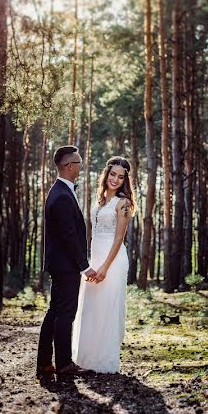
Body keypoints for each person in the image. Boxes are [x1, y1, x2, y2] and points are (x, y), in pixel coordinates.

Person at [36, 146, 96, 379]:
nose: (82, 166)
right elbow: (69, 236)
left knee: (55, 312)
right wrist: (84, 265)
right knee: (65, 314)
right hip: (66, 266)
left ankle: (44, 363)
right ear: (69, 165)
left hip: (61, 265)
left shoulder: (60, 191)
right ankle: (63, 364)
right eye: (79, 162)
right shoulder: (61, 195)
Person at [72, 156, 135, 374]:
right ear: (106, 174)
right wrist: (91, 263)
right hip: (95, 258)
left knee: (107, 308)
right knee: (91, 307)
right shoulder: (100, 200)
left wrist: (105, 268)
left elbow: (119, 239)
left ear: (125, 180)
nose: (115, 179)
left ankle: (105, 363)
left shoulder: (123, 203)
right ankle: (86, 360)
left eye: (120, 176)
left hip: (113, 261)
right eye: (112, 174)